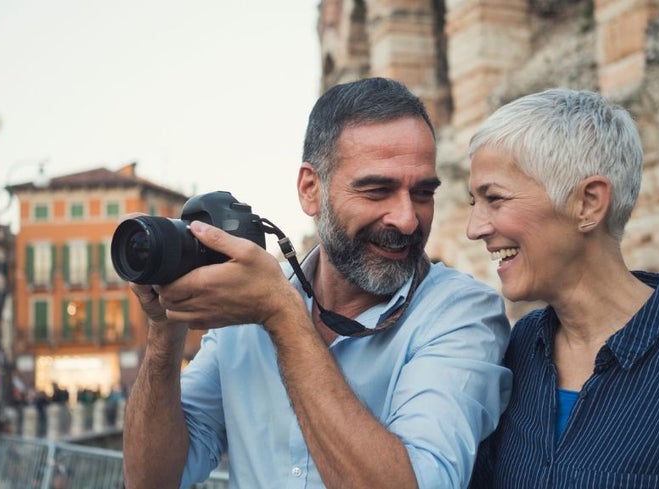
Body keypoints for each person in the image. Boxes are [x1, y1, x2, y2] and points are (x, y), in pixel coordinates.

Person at [123, 77, 512, 488]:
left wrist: (281, 316)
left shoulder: (463, 314)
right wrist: (165, 327)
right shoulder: (244, 311)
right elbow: (153, 480)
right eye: (377, 190)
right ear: (311, 190)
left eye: (422, 193)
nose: (407, 219)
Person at [465, 88, 659, 487]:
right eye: (473, 201)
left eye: (495, 199)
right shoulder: (517, 349)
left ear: (589, 203)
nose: (475, 228)